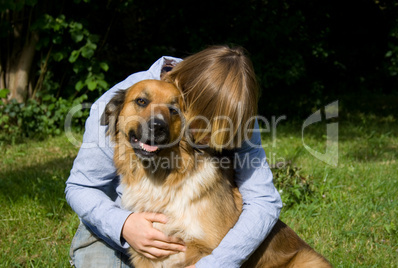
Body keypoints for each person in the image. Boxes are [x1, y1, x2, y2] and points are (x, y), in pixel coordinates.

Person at [65, 45, 282, 268]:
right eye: (201, 122)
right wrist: (123, 225)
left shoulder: (234, 110)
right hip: (112, 224)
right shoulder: (117, 102)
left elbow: (263, 200)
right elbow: (80, 186)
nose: (207, 138)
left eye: (220, 131)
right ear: (183, 92)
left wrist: (215, 264)